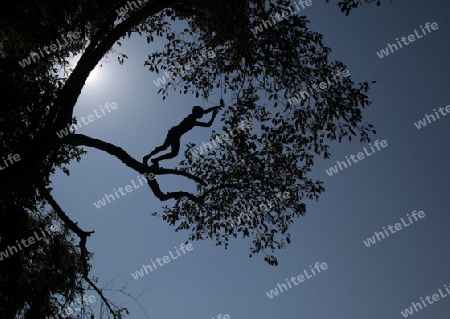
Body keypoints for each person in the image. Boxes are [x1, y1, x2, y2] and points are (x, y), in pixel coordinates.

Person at [143, 99, 225, 166]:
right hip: (174, 132)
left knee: (172, 152)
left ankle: (154, 159)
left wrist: (216, 109)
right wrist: (215, 112)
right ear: (197, 113)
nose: (202, 114)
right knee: (166, 148)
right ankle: (150, 157)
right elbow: (207, 120)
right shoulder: (192, 118)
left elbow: (207, 119)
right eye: (200, 113)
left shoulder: (193, 120)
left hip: (176, 134)